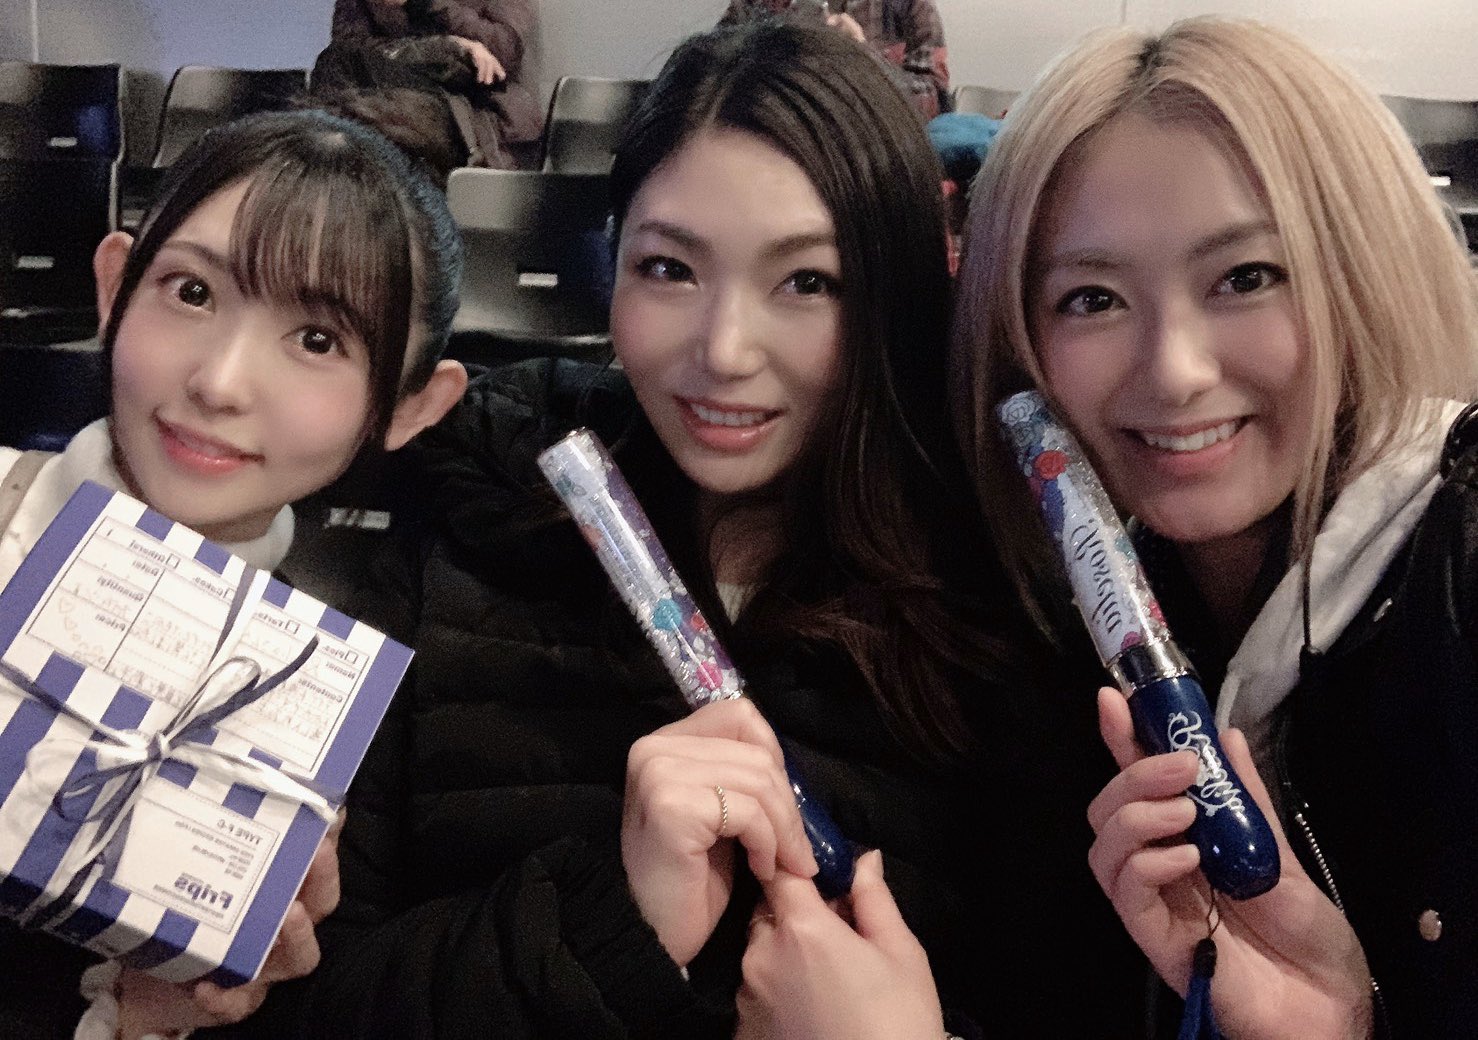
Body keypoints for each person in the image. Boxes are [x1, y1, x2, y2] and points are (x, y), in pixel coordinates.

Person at [204, 17, 1146, 1040]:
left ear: (896, 299)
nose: (723, 350)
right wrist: (610, 924)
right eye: (668, 269)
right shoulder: (474, 518)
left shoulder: (1008, 617)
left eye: (807, 282)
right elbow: (302, 1002)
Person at [947, 15, 1478, 1039]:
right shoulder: (1051, 648)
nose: (1174, 370)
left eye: (1245, 277)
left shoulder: (1458, 574)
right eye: (1091, 298)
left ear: (1356, 273)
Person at [0, 108, 468, 1040]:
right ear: (114, 286)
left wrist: (158, 1005)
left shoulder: (310, 714)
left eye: (318, 340)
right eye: (192, 292)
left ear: (412, 407)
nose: (220, 382)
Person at [320, 0, 543, 169]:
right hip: (390, 96)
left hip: (476, 110)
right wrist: (443, 46)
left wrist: (426, 3)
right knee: (334, 65)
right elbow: (348, 49)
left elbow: (504, 51)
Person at [720, 0, 950, 119]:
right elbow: (713, 68)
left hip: (872, 155)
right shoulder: (760, 3)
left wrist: (863, 58)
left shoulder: (908, 4)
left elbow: (936, 98)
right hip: (780, 143)